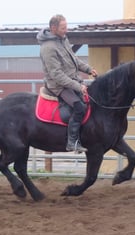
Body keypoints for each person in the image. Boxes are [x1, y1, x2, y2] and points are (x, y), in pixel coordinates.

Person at [37, 14, 98, 153]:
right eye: (63, 28)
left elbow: (74, 59)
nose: (66, 30)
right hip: (58, 86)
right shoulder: (48, 48)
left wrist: (89, 69)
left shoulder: (63, 39)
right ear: (53, 28)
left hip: (71, 81)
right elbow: (56, 75)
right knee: (79, 107)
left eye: (66, 27)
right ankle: (72, 142)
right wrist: (78, 86)